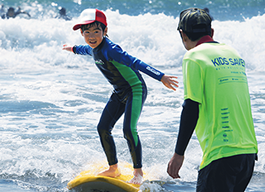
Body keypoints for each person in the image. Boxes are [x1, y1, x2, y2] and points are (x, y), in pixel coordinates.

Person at [63, 9, 178, 184]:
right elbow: (84, 49)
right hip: (119, 92)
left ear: (105, 31)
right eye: (87, 32)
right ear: (82, 33)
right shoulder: (93, 47)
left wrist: (160, 76)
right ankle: (113, 168)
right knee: (103, 127)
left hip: (135, 89)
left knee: (128, 130)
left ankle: (138, 173)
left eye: (96, 32)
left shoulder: (111, 50)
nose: (91, 36)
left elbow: (135, 62)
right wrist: (71, 49)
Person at [167, 7, 258, 192]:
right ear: (212, 32)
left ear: (183, 35)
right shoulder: (234, 54)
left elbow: (191, 106)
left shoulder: (194, 57)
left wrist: (179, 153)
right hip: (248, 154)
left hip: (221, 155)